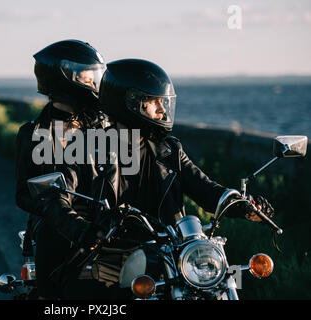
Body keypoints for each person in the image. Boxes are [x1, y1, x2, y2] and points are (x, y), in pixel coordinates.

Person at [40, 59, 274, 299]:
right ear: (131, 103)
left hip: (167, 253)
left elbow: (206, 189)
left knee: (213, 288)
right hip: (106, 254)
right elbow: (56, 198)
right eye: (155, 103)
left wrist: (243, 206)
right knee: (91, 296)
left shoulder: (169, 150)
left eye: (164, 103)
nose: (163, 110)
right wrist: (82, 230)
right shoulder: (86, 147)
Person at [15, 39, 109, 299]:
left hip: (102, 226)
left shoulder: (100, 128)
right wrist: (63, 217)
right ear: (66, 78)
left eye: (95, 76)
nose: (94, 82)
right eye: (88, 76)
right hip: (57, 229)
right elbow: (23, 193)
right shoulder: (33, 133)